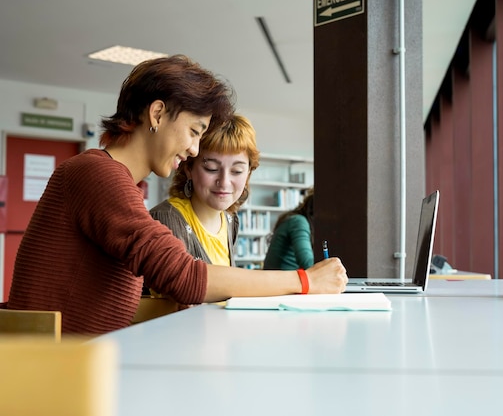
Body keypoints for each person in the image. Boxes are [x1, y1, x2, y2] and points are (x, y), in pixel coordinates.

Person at [5, 55, 347, 335]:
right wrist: (305, 280)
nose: (193, 148)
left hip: (78, 357)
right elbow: (185, 276)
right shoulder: (97, 174)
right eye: (194, 132)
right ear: (157, 114)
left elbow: (124, 293)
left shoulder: (116, 180)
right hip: (56, 367)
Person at [150, 114, 259, 268]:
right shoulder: (164, 219)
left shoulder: (230, 220)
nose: (224, 182)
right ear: (188, 168)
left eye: (237, 171)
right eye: (211, 169)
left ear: (248, 173)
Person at [263, 188, 315, 270]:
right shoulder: (298, 221)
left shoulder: (294, 218)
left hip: (278, 278)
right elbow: (308, 263)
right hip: (280, 280)